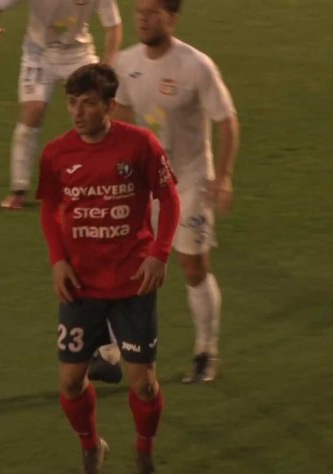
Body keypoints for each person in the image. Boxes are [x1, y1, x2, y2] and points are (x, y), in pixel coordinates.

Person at [37, 64, 180, 474]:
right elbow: (50, 209)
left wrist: (159, 254)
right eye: (71, 103)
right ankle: (91, 446)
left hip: (133, 283)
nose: (77, 112)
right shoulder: (56, 154)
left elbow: (169, 199)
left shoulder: (140, 144)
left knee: (144, 384)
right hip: (81, 285)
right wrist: (58, 261)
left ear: (109, 106)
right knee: (69, 380)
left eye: (87, 103)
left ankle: (144, 451)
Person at [111, 0, 240, 383]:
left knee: (193, 266)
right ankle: (113, 350)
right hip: (146, 184)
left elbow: (227, 120)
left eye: (152, 12)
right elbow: (120, 118)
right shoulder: (125, 63)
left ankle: (206, 352)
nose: (142, 18)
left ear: (171, 18)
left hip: (190, 180)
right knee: (128, 266)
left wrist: (224, 176)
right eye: (139, 11)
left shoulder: (196, 65)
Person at [0, 0, 122, 209]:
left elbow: (114, 26)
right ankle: (18, 190)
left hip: (78, 53)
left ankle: (107, 181)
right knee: (33, 111)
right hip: (39, 54)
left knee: (97, 114)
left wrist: (107, 65)